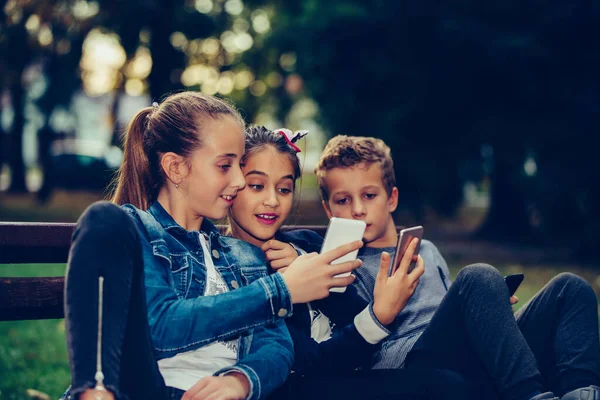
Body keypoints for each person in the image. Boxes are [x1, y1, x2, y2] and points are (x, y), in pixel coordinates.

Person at [61, 92, 363, 400]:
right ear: (176, 168)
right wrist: (279, 291)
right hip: (143, 386)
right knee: (103, 218)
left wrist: (239, 381)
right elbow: (159, 328)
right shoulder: (138, 230)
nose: (239, 180)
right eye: (225, 166)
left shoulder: (244, 256)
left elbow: (275, 344)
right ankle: (95, 392)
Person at [313, 135, 600, 400]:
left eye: (369, 195)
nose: (358, 209)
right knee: (478, 276)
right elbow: (360, 350)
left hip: (464, 352)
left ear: (392, 198)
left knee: (570, 288)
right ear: (329, 210)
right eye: (343, 200)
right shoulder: (342, 267)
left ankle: (582, 392)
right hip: (413, 364)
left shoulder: (427, 249)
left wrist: (488, 310)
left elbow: (450, 306)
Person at [227, 126, 478, 400]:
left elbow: (355, 308)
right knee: (449, 384)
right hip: (313, 383)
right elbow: (308, 364)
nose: (272, 200)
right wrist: (374, 314)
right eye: (256, 185)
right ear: (232, 185)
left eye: (285, 189)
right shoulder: (232, 272)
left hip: (357, 371)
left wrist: (310, 266)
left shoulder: (306, 243)